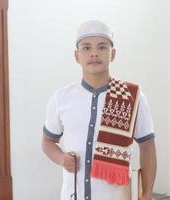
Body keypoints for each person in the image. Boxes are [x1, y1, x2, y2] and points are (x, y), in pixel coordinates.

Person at [42, 20, 157, 200]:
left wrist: (147, 193)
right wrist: (61, 158)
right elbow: (48, 141)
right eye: (86, 48)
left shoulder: (132, 97)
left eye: (102, 47)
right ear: (76, 56)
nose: (94, 53)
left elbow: (147, 146)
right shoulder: (60, 98)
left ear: (113, 54)